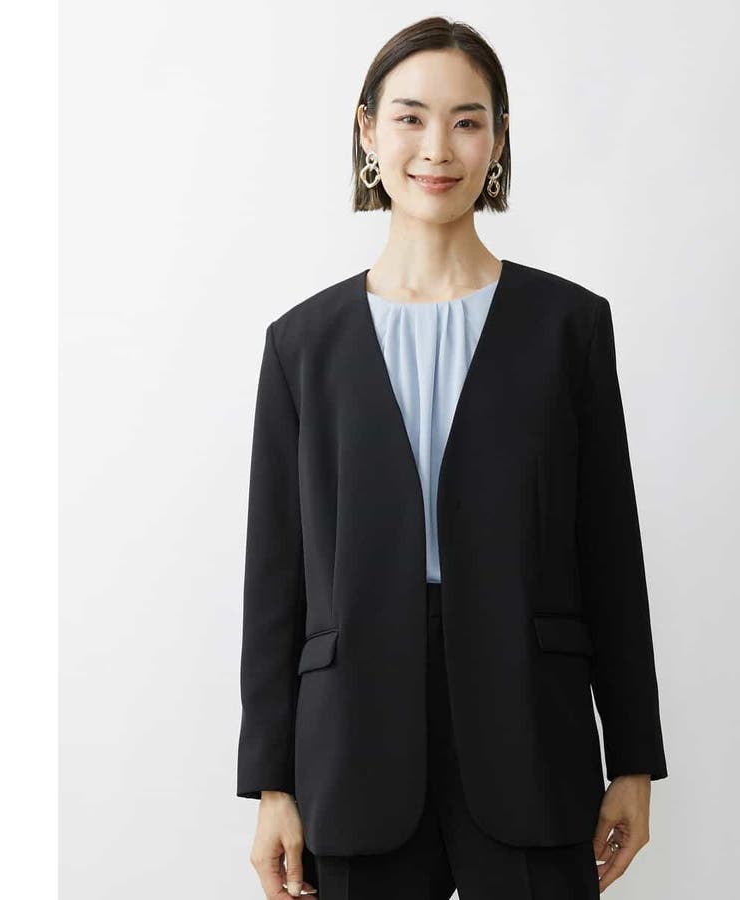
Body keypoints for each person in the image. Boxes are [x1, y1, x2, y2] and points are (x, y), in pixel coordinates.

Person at [237, 16, 668, 900]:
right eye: (410, 117)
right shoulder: (302, 345)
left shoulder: (569, 328)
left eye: (467, 121)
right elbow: (275, 578)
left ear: (499, 140)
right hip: (352, 744)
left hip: (531, 729)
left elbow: (609, 553)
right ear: (367, 132)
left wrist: (633, 757)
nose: (437, 147)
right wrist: (271, 783)